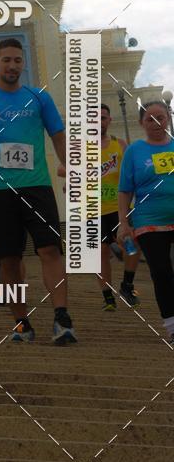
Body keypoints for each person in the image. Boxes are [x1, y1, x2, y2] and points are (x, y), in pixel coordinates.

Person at [0, 37, 77, 345]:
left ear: (23, 64)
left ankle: (62, 318)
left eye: (18, 60)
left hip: (37, 186)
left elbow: (59, 136)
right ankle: (21, 322)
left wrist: (69, 167)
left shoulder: (39, 98)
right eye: (6, 60)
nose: (12, 65)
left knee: (50, 250)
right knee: (8, 259)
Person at [118, 100, 174, 341]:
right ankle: (172, 326)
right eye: (150, 118)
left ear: (169, 118)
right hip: (149, 221)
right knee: (161, 273)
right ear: (141, 123)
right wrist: (123, 222)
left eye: (160, 117)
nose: (156, 123)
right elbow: (124, 189)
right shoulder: (134, 151)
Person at [97, 104, 140, 310]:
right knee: (101, 255)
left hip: (119, 208)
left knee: (132, 247)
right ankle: (108, 297)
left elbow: (133, 170)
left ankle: (127, 284)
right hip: (92, 211)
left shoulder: (120, 144)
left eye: (103, 117)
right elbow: (62, 168)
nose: (99, 121)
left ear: (109, 120)